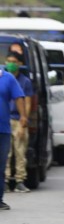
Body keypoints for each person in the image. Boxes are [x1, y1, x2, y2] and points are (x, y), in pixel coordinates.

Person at [5, 52, 33, 193]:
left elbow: (27, 103)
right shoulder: (3, 78)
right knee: (6, 153)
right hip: (5, 119)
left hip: (18, 120)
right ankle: (4, 180)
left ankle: (19, 181)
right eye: (8, 61)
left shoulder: (25, 81)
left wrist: (23, 121)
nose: (11, 63)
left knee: (20, 151)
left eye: (14, 61)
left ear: (20, 64)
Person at [0, 67, 27, 210]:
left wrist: (23, 116)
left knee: (1, 164)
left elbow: (19, 97)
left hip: (2, 129)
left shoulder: (7, 77)